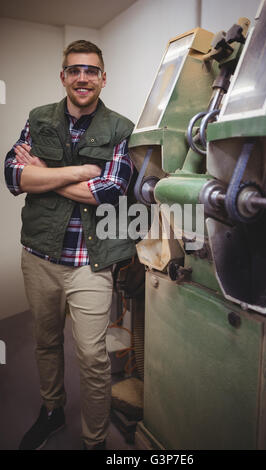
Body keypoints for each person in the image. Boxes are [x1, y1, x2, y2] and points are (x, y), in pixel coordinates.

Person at [4, 40, 136, 450]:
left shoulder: (120, 128)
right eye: (74, 70)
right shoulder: (39, 118)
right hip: (39, 256)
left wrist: (46, 174)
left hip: (89, 262)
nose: (83, 78)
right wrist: (77, 170)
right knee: (45, 342)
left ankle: (94, 441)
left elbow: (109, 191)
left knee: (93, 359)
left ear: (103, 78)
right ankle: (51, 410)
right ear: (63, 76)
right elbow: (13, 176)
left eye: (91, 70)